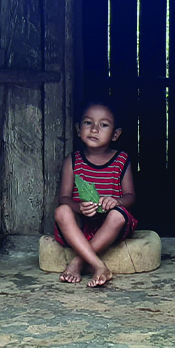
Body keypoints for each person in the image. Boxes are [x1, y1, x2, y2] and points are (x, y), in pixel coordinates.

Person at [52, 101, 138, 287]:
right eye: (88, 123)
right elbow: (64, 198)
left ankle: (78, 261)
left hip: (110, 225)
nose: (94, 129)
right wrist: (79, 207)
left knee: (118, 216)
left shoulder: (121, 160)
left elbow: (131, 197)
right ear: (78, 128)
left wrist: (116, 201)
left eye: (103, 125)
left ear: (116, 134)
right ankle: (99, 265)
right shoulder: (72, 161)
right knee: (61, 211)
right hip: (83, 225)